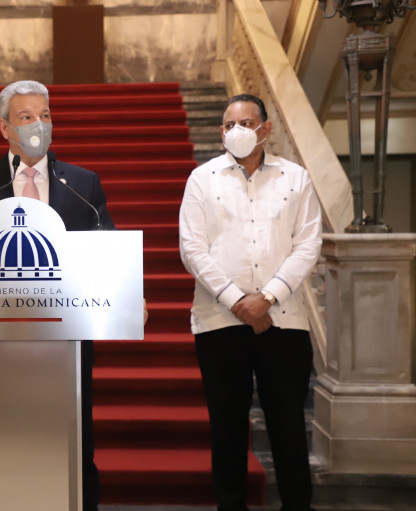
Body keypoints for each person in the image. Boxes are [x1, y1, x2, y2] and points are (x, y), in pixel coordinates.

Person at [0, 80, 113, 511]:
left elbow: (107, 249)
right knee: (5, 442)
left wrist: (125, 290)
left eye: (45, 115)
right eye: (26, 117)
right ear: (5, 128)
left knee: (75, 443)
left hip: (67, 341)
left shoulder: (83, 183)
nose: (39, 124)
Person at [179, 94, 321, 511]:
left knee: (288, 426)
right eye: (228, 125)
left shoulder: (295, 178)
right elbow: (192, 248)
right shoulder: (202, 179)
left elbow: (308, 244)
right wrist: (238, 301)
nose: (235, 131)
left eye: (245, 123)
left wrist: (268, 297)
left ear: (265, 129)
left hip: (285, 320)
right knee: (227, 429)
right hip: (219, 321)